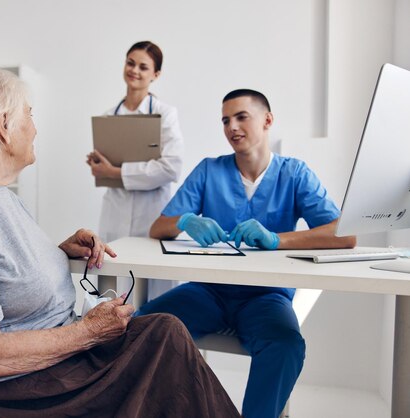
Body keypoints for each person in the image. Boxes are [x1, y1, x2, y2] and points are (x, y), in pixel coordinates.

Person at [0, 68, 241, 418]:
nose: (34, 128)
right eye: (29, 115)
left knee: (164, 333)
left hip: (40, 369)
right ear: (4, 126)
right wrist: (89, 332)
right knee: (163, 344)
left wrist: (55, 253)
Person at [136, 89, 357, 418]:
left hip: (266, 298)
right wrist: (184, 220)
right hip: (208, 291)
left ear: (267, 120)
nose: (231, 127)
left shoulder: (294, 173)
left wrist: (277, 240)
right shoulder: (209, 170)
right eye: (225, 120)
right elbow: (158, 227)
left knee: (285, 346)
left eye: (241, 117)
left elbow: (344, 234)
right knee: (144, 326)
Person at [87, 41, 184, 300]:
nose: (135, 71)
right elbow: (106, 166)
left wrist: (115, 171)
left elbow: (171, 167)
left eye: (143, 67)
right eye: (131, 63)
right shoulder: (109, 116)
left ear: (156, 75)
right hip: (115, 213)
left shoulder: (165, 114)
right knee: (111, 292)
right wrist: (98, 166)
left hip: (151, 215)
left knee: (155, 296)